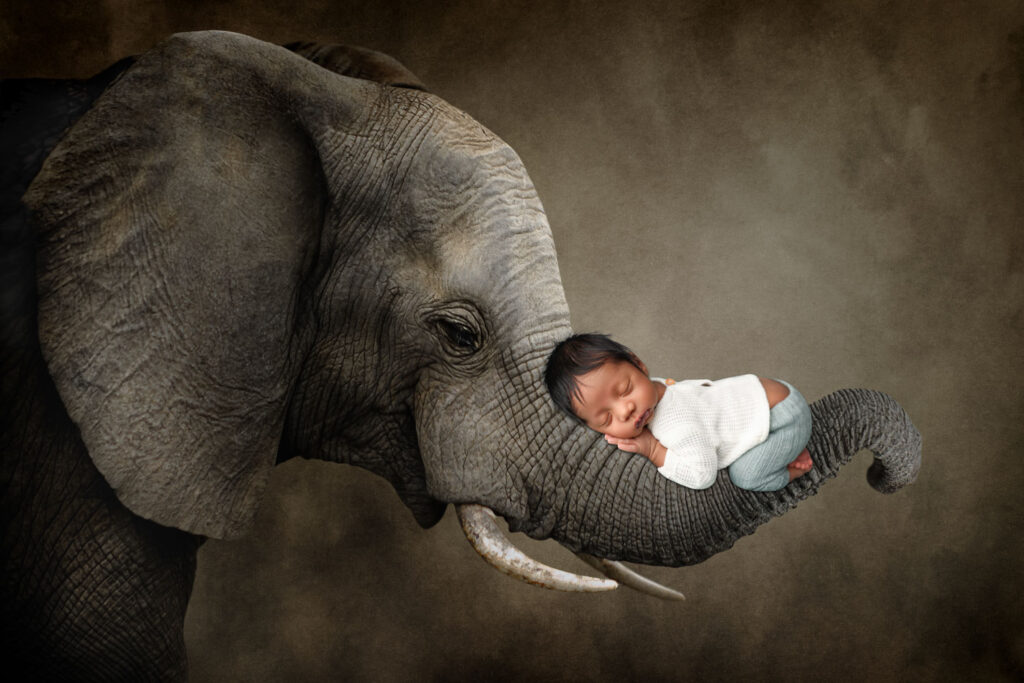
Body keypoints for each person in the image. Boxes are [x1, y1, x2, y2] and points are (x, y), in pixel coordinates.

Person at [544, 333, 813, 491]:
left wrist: (653, 451)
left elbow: (703, 476)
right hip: (764, 395)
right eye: (606, 418)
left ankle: (792, 465)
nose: (625, 409)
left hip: (784, 416)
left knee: (746, 476)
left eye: (625, 389)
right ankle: (784, 446)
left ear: (639, 364)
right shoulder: (657, 387)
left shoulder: (676, 424)